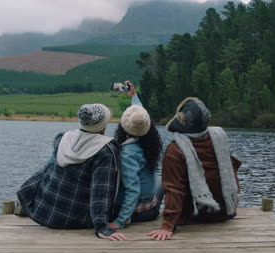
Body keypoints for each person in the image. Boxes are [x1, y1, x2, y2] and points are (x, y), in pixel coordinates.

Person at [16, 103, 127, 241]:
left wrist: (28, 193)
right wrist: (102, 227)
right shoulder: (105, 150)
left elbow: (48, 170)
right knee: (139, 203)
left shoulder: (63, 137)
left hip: (43, 211)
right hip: (75, 218)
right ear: (104, 124)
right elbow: (101, 191)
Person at [148, 97, 242, 240]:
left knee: (161, 181)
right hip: (224, 212)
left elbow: (174, 189)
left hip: (195, 214)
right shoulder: (218, 137)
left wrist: (167, 225)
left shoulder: (175, 149)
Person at [109, 81, 163, 230]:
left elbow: (133, 189)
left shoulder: (126, 152)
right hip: (148, 206)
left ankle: (126, 216)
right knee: (160, 179)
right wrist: (133, 96)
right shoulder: (148, 142)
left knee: (139, 185)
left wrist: (120, 221)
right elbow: (141, 118)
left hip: (138, 214)